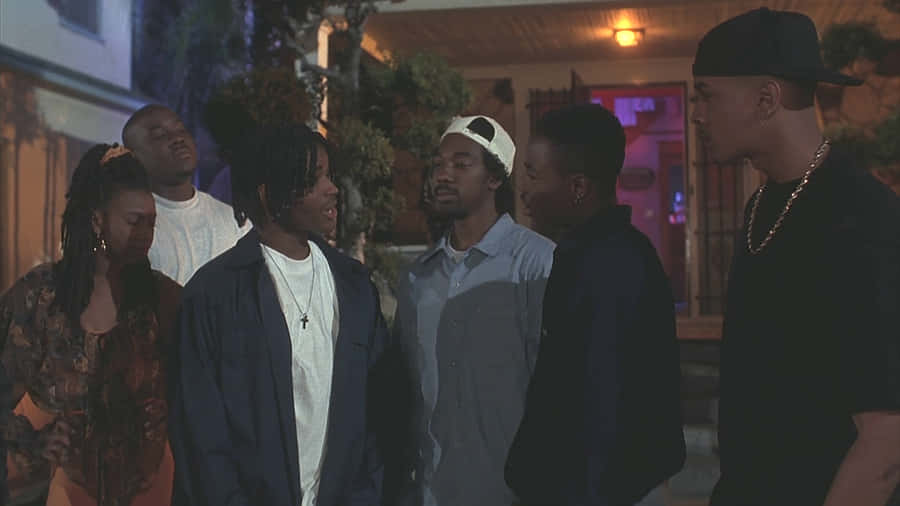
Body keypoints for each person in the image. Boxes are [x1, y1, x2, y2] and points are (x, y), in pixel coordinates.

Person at [690, 8, 900, 506]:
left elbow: (886, 437)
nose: (697, 113)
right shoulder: (761, 205)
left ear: (766, 99)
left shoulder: (860, 216)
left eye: (706, 95)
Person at [168, 122, 389, 506]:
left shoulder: (354, 286)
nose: (332, 189)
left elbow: (377, 413)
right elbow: (200, 435)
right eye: (313, 179)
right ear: (269, 194)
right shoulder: (214, 294)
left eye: (330, 176)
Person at [506, 104, 685, 506]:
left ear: (577, 187)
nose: (524, 189)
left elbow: (597, 409)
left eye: (534, 174)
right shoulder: (594, 255)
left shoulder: (606, 268)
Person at [0, 144, 181, 505]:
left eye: (152, 222)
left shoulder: (163, 300)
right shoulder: (42, 296)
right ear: (97, 219)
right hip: (58, 491)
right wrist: (36, 442)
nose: (146, 232)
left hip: (150, 490)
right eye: (134, 221)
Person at [393, 115, 555, 506]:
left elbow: (556, 392)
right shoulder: (418, 278)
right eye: (438, 164)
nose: (443, 175)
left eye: (461, 165)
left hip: (514, 492)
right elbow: (406, 393)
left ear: (494, 179)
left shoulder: (537, 264)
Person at [122, 105, 250, 285]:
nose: (177, 139)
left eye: (181, 129)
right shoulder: (131, 230)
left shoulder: (234, 221)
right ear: (134, 157)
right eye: (159, 135)